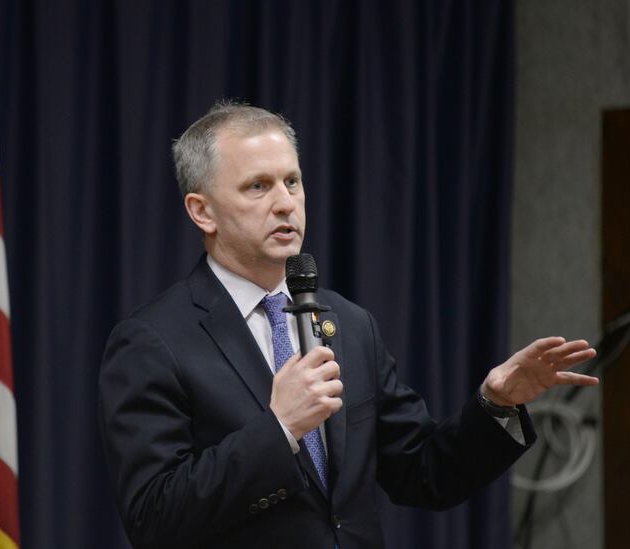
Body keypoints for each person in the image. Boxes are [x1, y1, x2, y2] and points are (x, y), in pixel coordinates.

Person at [98, 101, 598, 549]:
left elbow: (423, 474)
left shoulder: (348, 324)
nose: (284, 202)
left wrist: (495, 404)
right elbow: (154, 518)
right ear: (201, 211)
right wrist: (280, 429)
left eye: (292, 181)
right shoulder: (153, 342)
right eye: (258, 186)